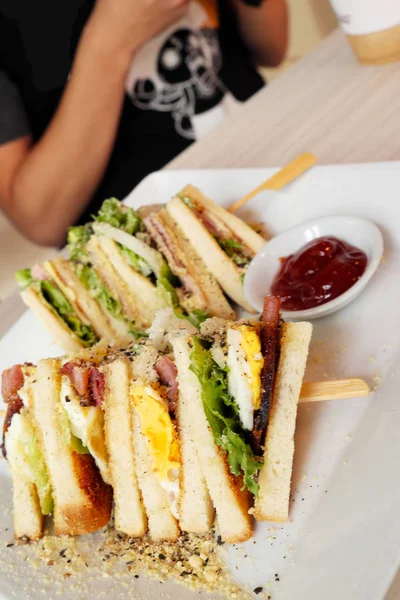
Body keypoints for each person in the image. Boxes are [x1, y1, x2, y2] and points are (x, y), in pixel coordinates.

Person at [0, 0, 287, 246]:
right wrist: (110, 41)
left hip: (279, 157)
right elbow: (39, 218)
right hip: (160, 243)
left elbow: (272, 48)